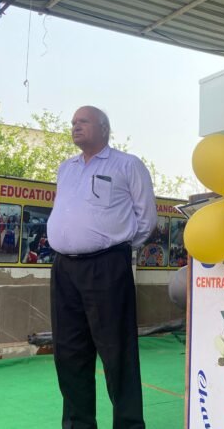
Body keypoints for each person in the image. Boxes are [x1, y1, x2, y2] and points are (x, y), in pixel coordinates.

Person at [47, 105, 157, 429]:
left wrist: (116, 248)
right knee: (69, 352)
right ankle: (77, 424)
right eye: (73, 122)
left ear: (104, 128)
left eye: (83, 121)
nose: (75, 126)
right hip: (64, 269)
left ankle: (128, 425)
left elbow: (146, 219)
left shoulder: (128, 165)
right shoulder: (65, 169)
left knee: (117, 353)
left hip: (107, 267)